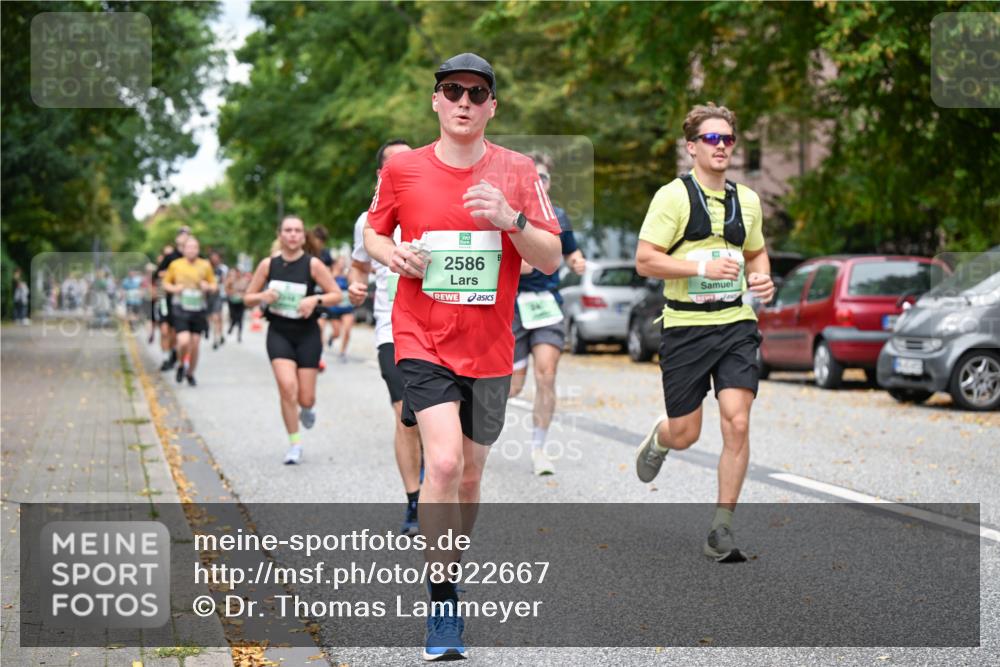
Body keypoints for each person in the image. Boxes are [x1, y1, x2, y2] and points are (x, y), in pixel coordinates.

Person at [364, 53, 561, 661]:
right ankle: (444, 603)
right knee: (444, 465)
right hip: (420, 337)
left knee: (471, 475)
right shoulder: (403, 170)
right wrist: (393, 256)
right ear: (436, 100)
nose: (464, 102)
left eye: (477, 93)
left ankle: (448, 559)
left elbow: (550, 257)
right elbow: (374, 231)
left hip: (489, 347)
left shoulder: (518, 170)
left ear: (492, 106)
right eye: (453, 90)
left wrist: (510, 219)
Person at [634, 102, 775, 563]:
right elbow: (645, 260)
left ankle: (722, 527)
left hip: (735, 322)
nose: (720, 147)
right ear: (691, 147)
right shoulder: (672, 197)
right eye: (711, 139)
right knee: (686, 433)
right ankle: (661, 437)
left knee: (737, 419)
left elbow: (756, 254)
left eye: (727, 139)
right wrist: (699, 265)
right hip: (685, 326)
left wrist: (762, 279)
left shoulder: (748, 200)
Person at [347, 138, 423, 535]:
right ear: (383, 174)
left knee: (435, 418)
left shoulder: (436, 208)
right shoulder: (368, 220)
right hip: (391, 330)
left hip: (436, 331)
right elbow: (358, 268)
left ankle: (431, 477)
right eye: (398, 164)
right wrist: (356, 287)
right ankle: (414, 500)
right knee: (405, 417)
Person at [508, 151, 586, 476]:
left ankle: (539, 448)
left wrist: (577, 262)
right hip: (512, 306)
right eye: (534, 178)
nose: (540, 183)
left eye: (545, 178)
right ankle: (470, 429)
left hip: (546, 304)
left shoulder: (559, 216)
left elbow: (570, 251)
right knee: (511, 386)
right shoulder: (509, 215)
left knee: (547, 373)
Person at [243, 216, 341, 465]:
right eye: (288, 230)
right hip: (279, 333)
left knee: (305, 398)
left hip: (307, 334)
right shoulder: (268, 265)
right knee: (288, 388)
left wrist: (314, 300)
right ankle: (295, 444)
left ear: (303, 235)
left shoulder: (313, 264)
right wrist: (263, 295)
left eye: (298, 230)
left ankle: (307, 409)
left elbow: (336, 295)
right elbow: (248, 298)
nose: (293, 235)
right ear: (280, 234)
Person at [162, 236, 217, 387]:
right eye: (189, 247)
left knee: (195, 344)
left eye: (195, 247)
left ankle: (190, 373)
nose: (192, 250)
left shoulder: (205, 265)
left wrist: (208, 286)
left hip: (198, 308)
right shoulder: (175, 265)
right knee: (183, 341)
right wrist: (174, 288)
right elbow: (165, 283)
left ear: (198, 250)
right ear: (183, 249)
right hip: (180, 307)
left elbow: (214, 285)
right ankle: (181, 364)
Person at [156, 228, 191, 371]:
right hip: (165, 298)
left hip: (182, 301)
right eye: (181, 234)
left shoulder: (193, 258)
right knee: (165, 330)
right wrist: (171, 275)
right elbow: (157, 274)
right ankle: (166, 358)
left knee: (176, 333)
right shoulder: (170, 256)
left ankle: (174, 355)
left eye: (187, 234)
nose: (184, 237)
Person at [325, 255, 355, 362]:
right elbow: (325, 286)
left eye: (344, 262)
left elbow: (354, 284)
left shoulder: (348, 274)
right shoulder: (331, 273)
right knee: (337, 332)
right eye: (340, 262)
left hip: (347, 307)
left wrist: (349, 274)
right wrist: (335, 275)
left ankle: (342, 352)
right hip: (335, 308)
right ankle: (332, 337)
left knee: (347, 330)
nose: (342, 264)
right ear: (336, 263)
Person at [207, 250, 229, 349]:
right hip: (208, 296)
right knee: (211, 317)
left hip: (219, 295)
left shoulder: (222, 270)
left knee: (217, 317)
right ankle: (215, 334)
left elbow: (225, 282)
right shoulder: (207, 269)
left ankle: (217, 337)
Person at [224, 267, 250, 343]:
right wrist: (231, 292)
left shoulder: (245, 281)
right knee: (233, 316)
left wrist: (243, 295)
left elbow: (248, 290)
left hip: (241, 302)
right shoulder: (231, 280)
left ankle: (239, 335)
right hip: (232, 301)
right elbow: (226, 289)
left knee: (240, 318)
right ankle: (231, 326)